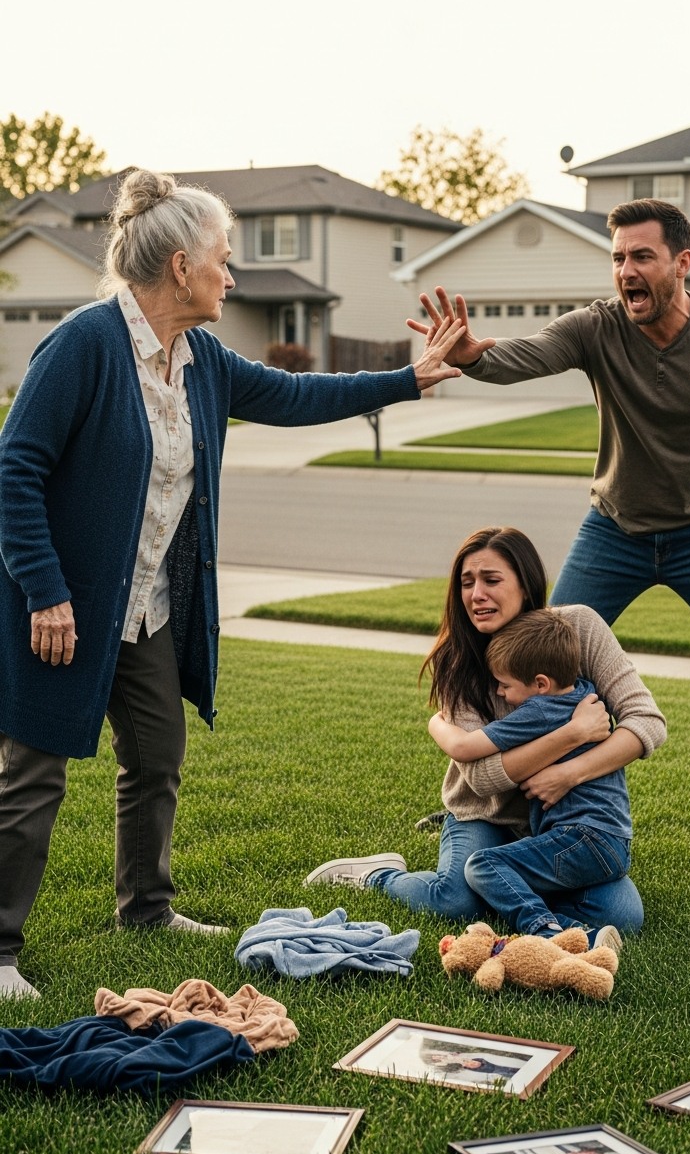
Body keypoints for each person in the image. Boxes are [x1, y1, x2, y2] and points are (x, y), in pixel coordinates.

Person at [0, 168, 467, 999]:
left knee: (156, 754)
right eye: (223, 258)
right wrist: (44, 590)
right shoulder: (84, 345)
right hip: (64, 608)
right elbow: (16, 472)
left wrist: (410, 377)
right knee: (35, 774)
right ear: (181, 266)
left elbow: (293, 394)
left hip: (145, 608)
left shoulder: (201, 358)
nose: (232, 274)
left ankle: (145, 906)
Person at [411, 199, 690, 846]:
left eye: (641, 257)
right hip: (614, 531)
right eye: (617, 258)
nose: (626, 270)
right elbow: (524, 355)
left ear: (682, 264)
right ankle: (489, 810)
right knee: (522, 661)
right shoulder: (596, 327)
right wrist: (469, 355)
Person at [304, 526, 666, 937]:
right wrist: (573, 733)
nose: (477, 594)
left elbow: (646, 722)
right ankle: (379, 876)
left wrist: (569, 773)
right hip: (485, 812)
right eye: (467, 582)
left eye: (492, 580)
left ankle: (508, 887)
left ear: (526, 585)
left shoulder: (579, 628)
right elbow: (480, 776)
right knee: (455, 900)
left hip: (560, 824)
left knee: (622, 916)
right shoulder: (457, 661)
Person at [428, 608, 631, 948]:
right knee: (485, 880)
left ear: (540, 684)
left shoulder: (538, 710)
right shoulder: (585, 692)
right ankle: (582, 933)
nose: (501, 693)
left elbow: (465, 747)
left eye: (505, 685)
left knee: (482, 865)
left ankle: (549, 931)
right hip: (614, 841)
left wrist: (435, 722)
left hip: (581, 838)